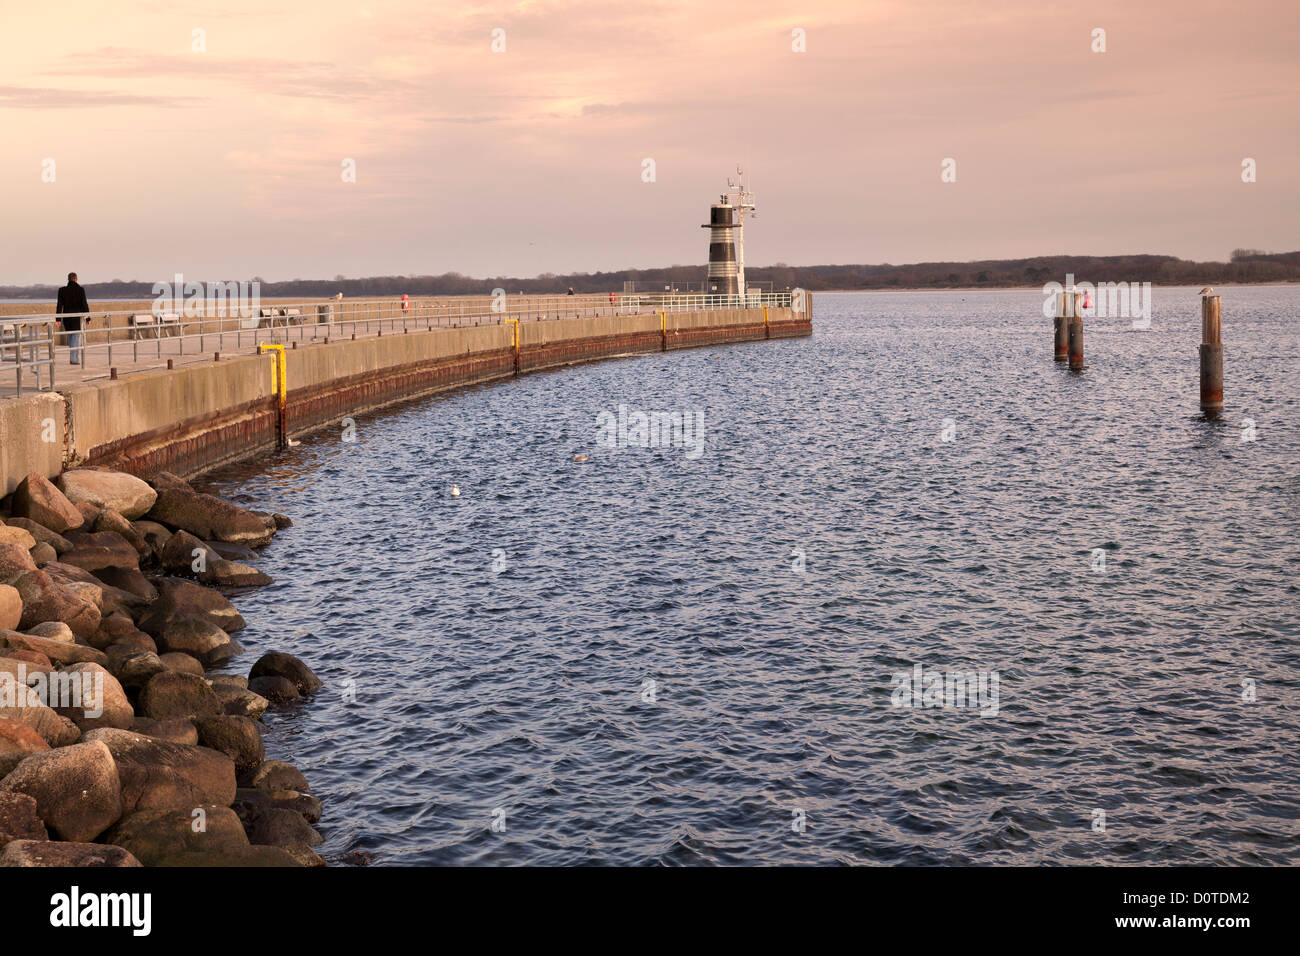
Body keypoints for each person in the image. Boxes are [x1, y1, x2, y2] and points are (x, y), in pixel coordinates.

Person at [56, 272, 90, 365]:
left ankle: (73, 357)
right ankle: (74, 359)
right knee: (75, 337)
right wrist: (87, 318)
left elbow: (59, 305)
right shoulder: (80, 290)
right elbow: (84, 305)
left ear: (68, 279)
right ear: (76, 279)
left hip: (66, 317)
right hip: (76, 317)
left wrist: (58, 319)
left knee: (71, 337)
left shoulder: (62, 290)